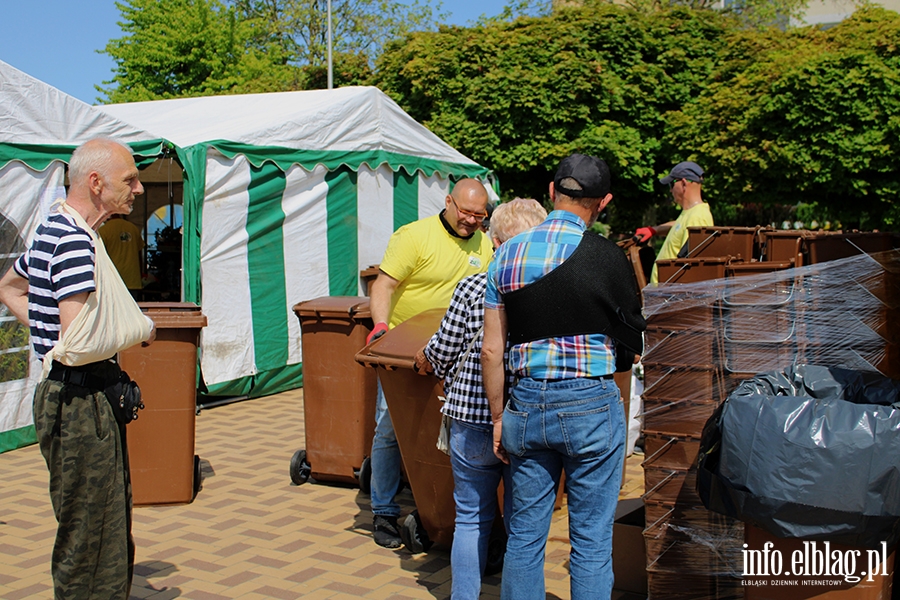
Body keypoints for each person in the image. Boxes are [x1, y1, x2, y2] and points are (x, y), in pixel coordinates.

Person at [481, 154, 646, 600]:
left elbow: (492, 348)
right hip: (592, 405)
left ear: (551, 192)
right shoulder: (610, 258)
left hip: (526, 405)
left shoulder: (505, 254)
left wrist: (499, 418)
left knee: (525, 537)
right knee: (591, 542)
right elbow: (632, 344)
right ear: (604, 203)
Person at [0, 138, 156, 599]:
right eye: (129, 180)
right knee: (92, 533)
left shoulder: (53, 229)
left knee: (92, 521)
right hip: (80, 402)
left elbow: (10, 287)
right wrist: (140, 329)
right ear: (96, 183)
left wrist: (46, 340)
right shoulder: (72, 241)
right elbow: (84, 340)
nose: (139, 189)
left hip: (70, 392)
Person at [415, 198, 547, 600]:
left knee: (471, 517)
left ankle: (464, 596)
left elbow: (444, 349)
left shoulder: (474, 286)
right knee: (523, 522)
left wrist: (427, 358)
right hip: (525, 418)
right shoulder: (548, 291)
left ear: (493, 241)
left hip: (471, 416)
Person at [366, 178, 493, 548]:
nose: (471, 221)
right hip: (405, 352)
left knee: (439, 430)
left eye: (479, 216)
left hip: (453, 351)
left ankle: (437, 505)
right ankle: (384, 510)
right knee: (390, 427)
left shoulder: (484, 243)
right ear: (449, 202)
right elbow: (383, 285)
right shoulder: (414, 237)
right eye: (466, 213)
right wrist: (380, 327)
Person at [633, 161, 713, 284]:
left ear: (684, 183)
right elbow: (678, 226)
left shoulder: (698, 217)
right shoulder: (691, 213)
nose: (670, 190)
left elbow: (686, 265)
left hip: (668, 296)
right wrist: (654, 230)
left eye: (671, 184)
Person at [100, 214, 144, 297]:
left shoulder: (104, 230)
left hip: (113, 281)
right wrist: (141, 273)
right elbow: (139, 253)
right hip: (133, 280)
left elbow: (99, 256)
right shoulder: (133, 228)